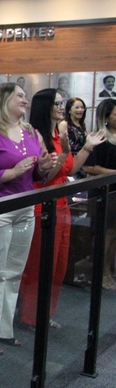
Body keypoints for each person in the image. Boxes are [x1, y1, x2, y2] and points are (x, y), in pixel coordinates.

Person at [0, 82, 55, 355]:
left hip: (23, 208)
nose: (25, 99)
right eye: (19, 95)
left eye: (25, 96)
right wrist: (10, 173)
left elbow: (33, 175)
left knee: (13, 272)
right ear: (3, 99)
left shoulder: (29, 133)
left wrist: (42, 168)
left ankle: (3, 329)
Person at [18, 89, 104, 329]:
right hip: (41, 206)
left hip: (62, 205)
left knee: (59, 264)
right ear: (45, 106)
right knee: (40, 264)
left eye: (62, 103)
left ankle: (45, 312)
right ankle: (31, 316)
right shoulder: (35, 135)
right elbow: (44, 179)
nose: (61, 107)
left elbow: (69, 170)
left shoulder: (58, 133)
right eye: (57, 103)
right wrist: (65, 151)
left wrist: (86, 147)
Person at [83, 99, 116, 290]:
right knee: (105, 233)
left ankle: (108, 270)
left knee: (114, 234)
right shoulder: (98, 137)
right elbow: (89, 167)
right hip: (104, 192)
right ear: (106, 117)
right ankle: (100, 273)